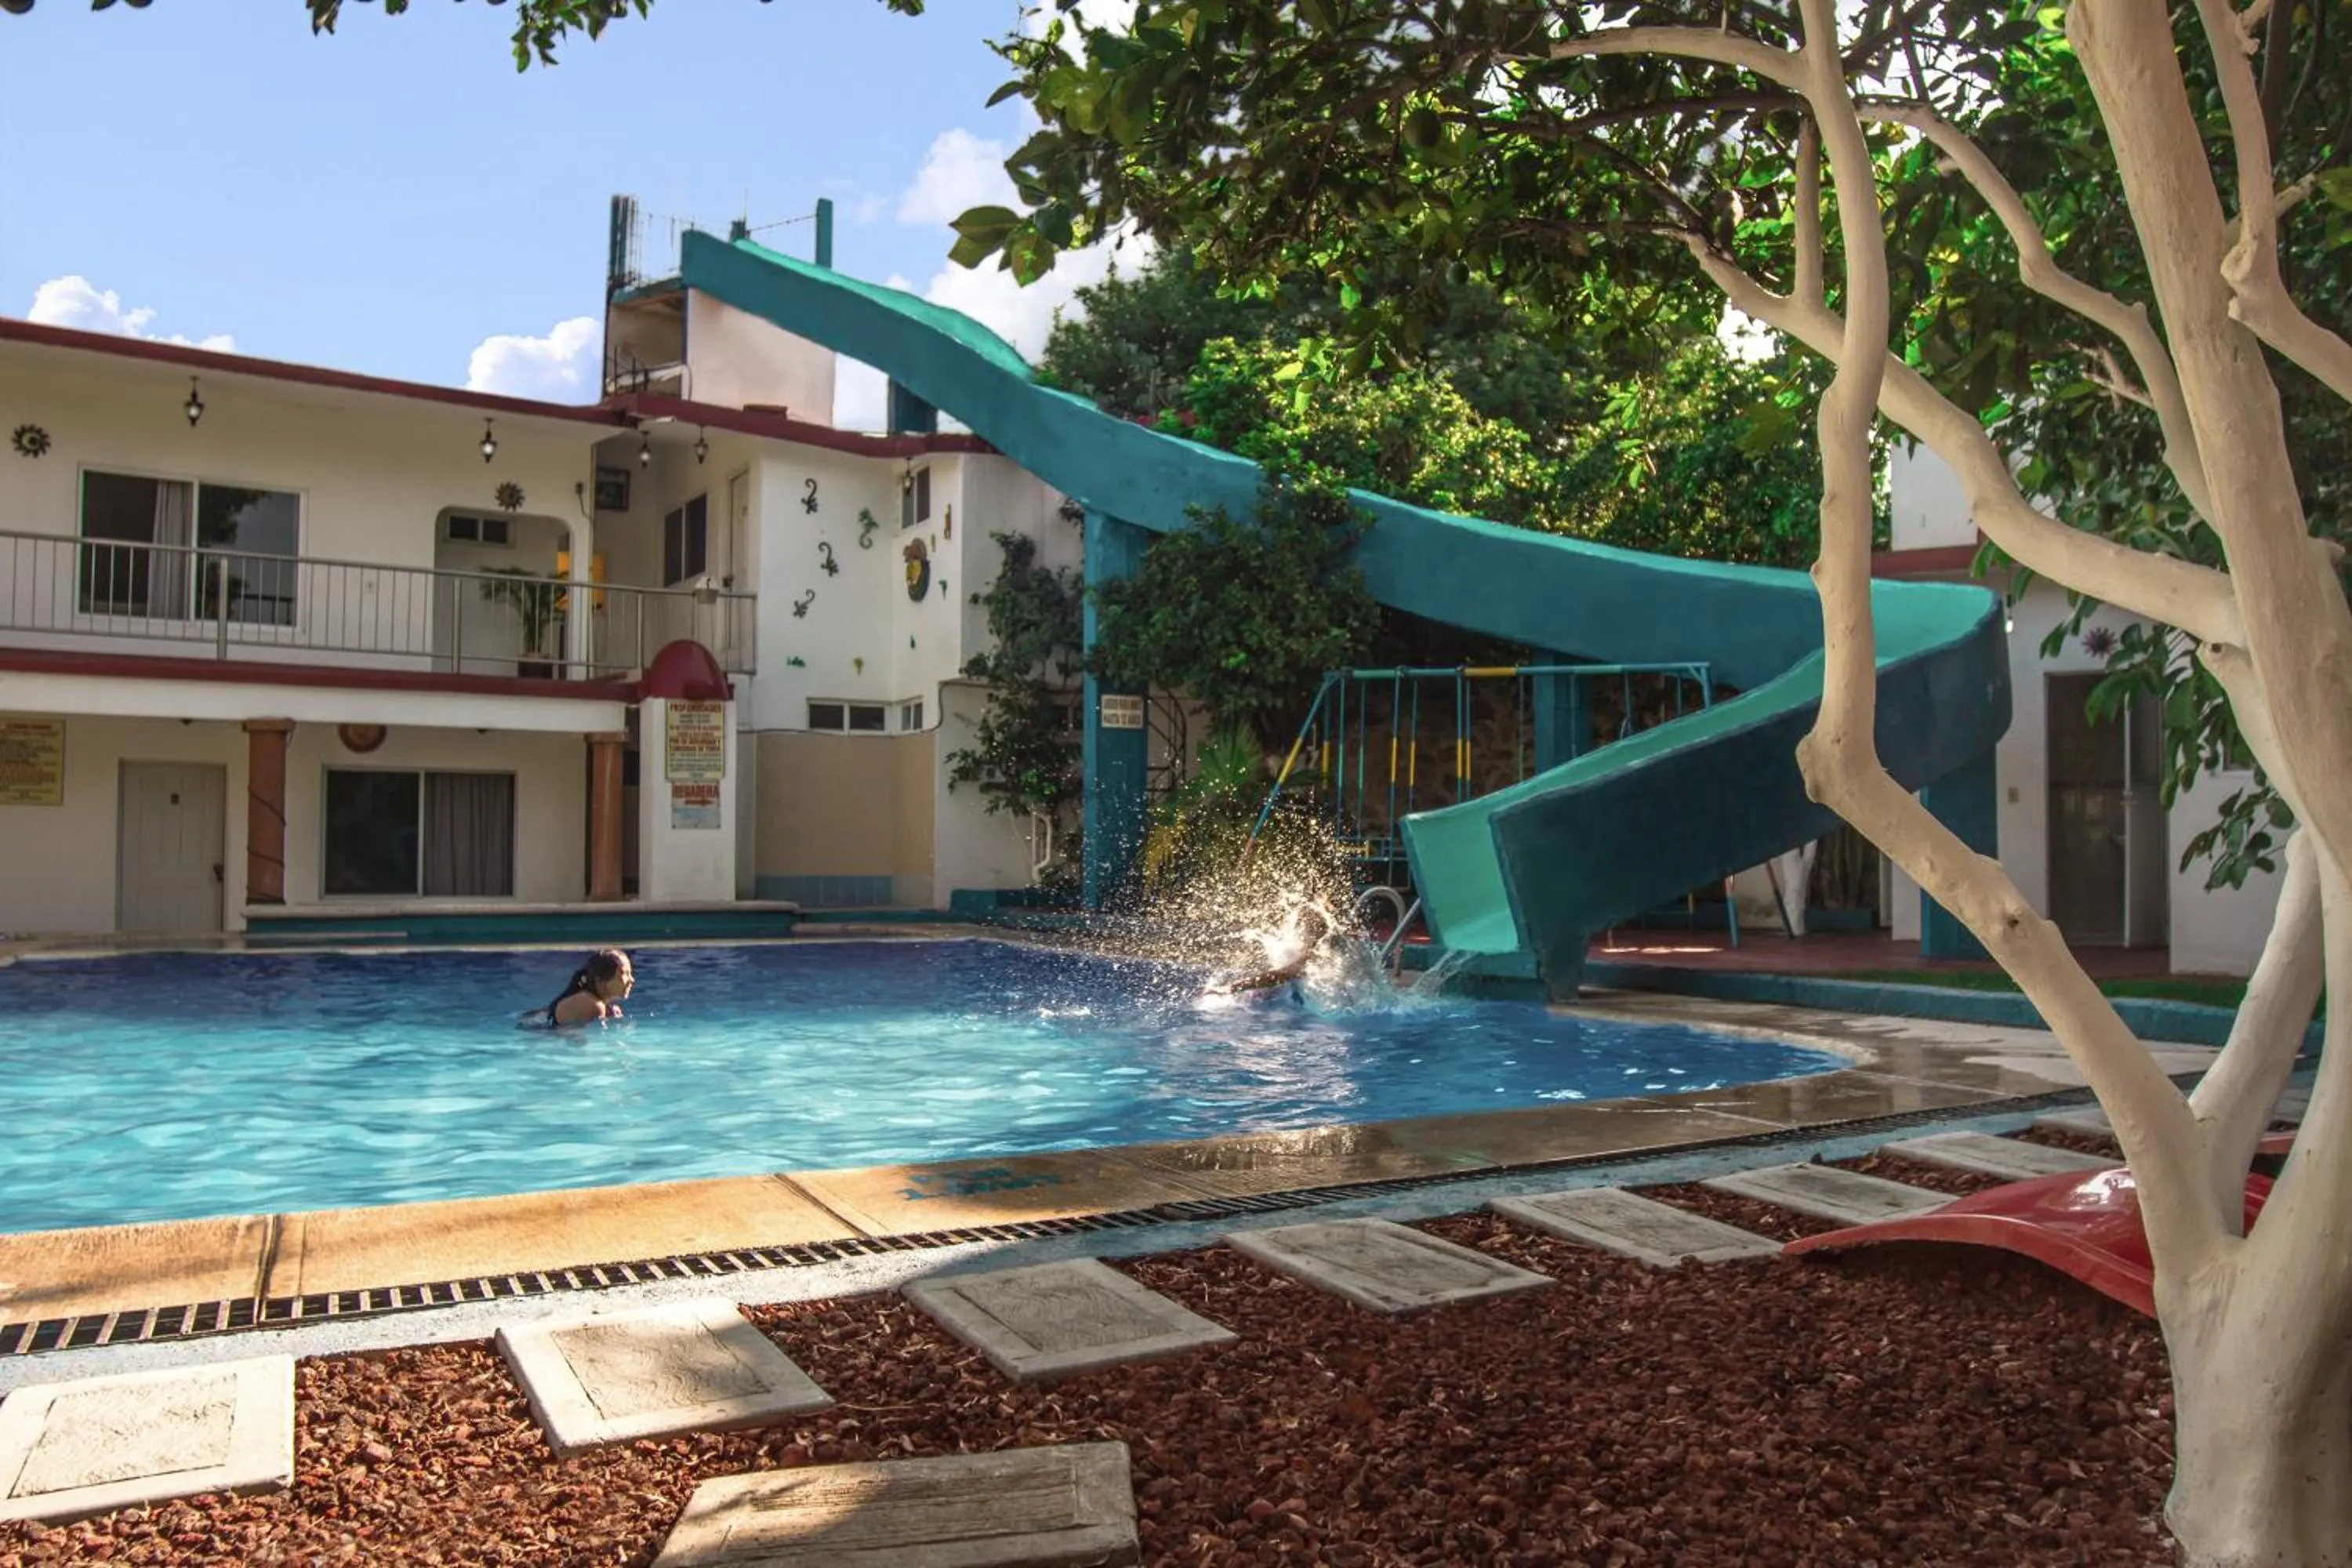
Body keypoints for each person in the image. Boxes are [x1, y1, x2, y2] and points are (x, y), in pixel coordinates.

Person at [548, 949, 633, 1025]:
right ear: (600, 980)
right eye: (624, 974)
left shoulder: (588, 1000)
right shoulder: (593, 1006)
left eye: (630, 974)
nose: (632, 980)